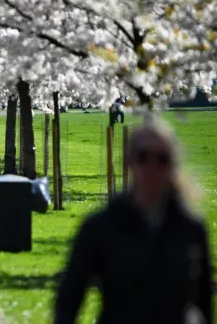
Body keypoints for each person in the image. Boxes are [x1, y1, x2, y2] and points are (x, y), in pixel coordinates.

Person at [55, 116, 212, 324]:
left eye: (161, 159)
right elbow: (69, 300)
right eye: (143, 156)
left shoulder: (191, 229)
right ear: (130, 162)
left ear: (172, 165)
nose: (152, 166)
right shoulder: (101, 227)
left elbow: (204, 303)